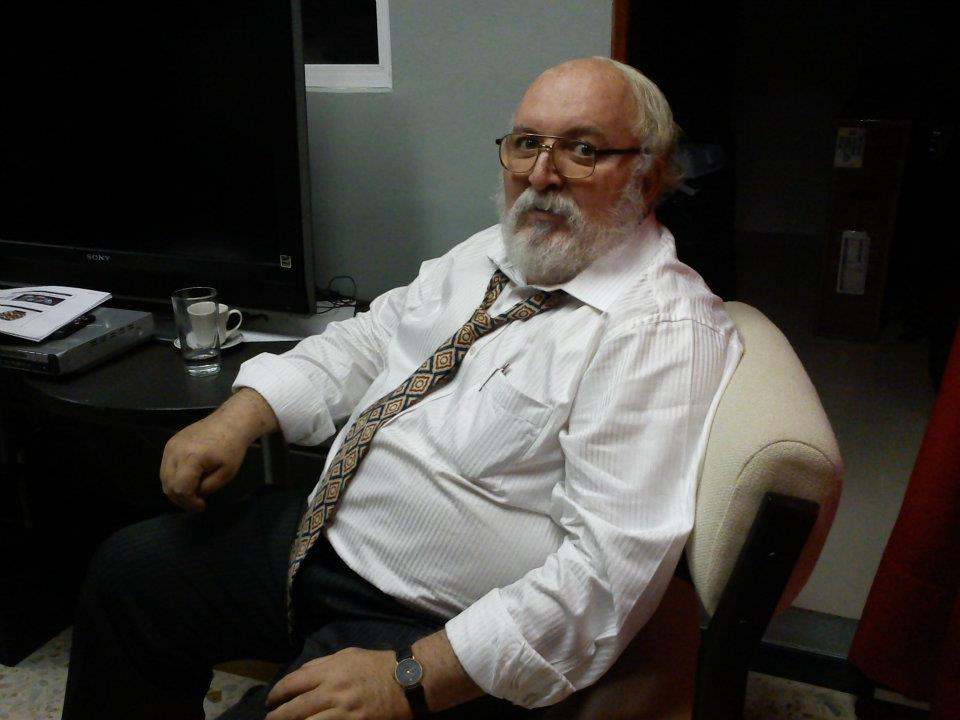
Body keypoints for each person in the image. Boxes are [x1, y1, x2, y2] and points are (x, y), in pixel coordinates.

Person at [61, 57, 742, 720]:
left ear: (648, 175)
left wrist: (410, 678)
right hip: (324, 537)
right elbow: (369, 339)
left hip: (429, 624)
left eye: (582, 150)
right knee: (129, 574)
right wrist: (241, 414)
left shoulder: (659, 330)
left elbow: (605, 574)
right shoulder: (493, 250)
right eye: (525, 144)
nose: (540, 174)